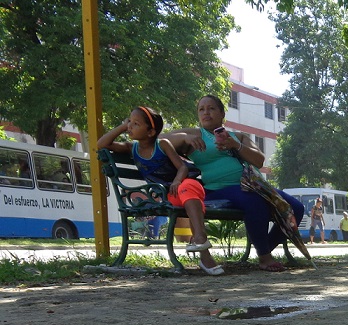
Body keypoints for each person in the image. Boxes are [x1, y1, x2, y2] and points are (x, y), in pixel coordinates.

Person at [167, 95, 304, 272]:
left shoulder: (239, 136)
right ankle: (264, 257)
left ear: (222, 113)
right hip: (218, 189)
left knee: (297, 208)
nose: (206, 112)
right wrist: (184, 138)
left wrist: (235, 145)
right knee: (254, 201)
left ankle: (265, 247)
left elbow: (259, 160)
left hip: (253, 185)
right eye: (201, 109)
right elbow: (159, 140)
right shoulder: (195, 134)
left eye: (211, 108)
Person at [98, 106, 223, 275]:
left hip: (185, 186)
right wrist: (122, 126)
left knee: (188, 188)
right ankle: (204, 252)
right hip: (167, 196)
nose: (130, 127)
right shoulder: (131, 148)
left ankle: (200, 240)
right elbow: (101, 144)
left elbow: (183, 168)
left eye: (135, 123)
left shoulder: (162, 144)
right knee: (190, 199)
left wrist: (177, 181)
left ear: (150, 132)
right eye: (130, 122)